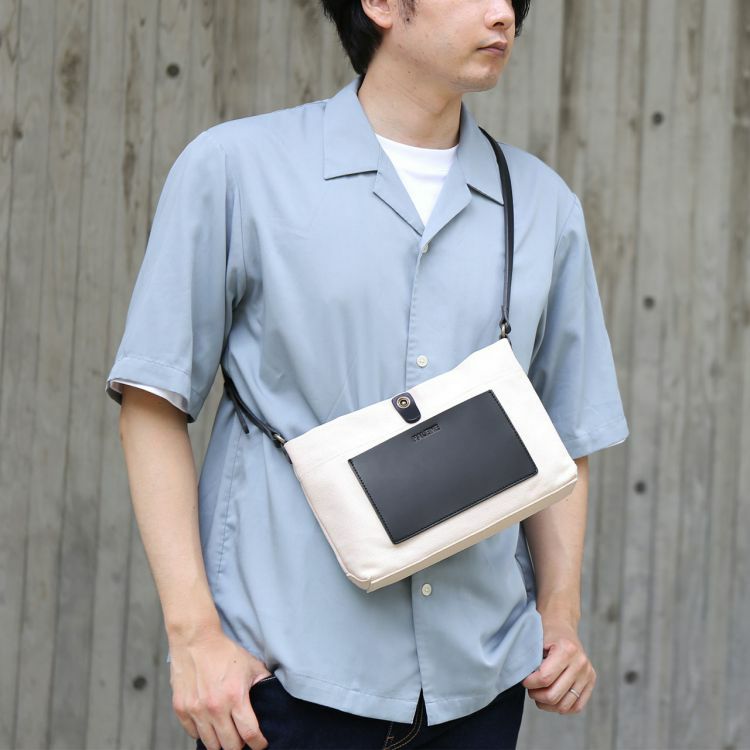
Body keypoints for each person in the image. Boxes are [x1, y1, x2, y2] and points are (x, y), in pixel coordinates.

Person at [105, 1, 629, 748]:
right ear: (379, 3)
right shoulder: (238, 168)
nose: (502, 15)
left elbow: (562, 431)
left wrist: (561, 614)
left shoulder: (544, 205)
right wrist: (194, 638)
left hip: (477, 687)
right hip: (283, 679)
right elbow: (153, 400)